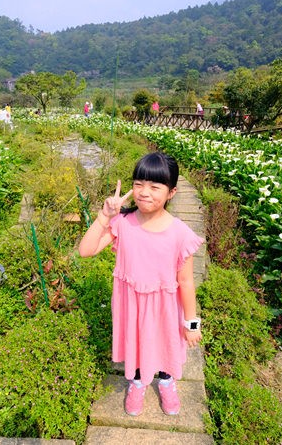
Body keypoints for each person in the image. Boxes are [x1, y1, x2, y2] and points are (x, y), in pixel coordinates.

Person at [78, 152, 204, 416]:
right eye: (138, 184)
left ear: (171, 192)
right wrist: (104, 215)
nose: (144, 192)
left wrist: (192, 325)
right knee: (136, 344)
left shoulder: (180, 233)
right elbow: (86, 251)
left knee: (166, 342)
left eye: (155, 186)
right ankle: (137, 381)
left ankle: (167, 381)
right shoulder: (122, 223)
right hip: (131, 306)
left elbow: (186, 281)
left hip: (166, 308)